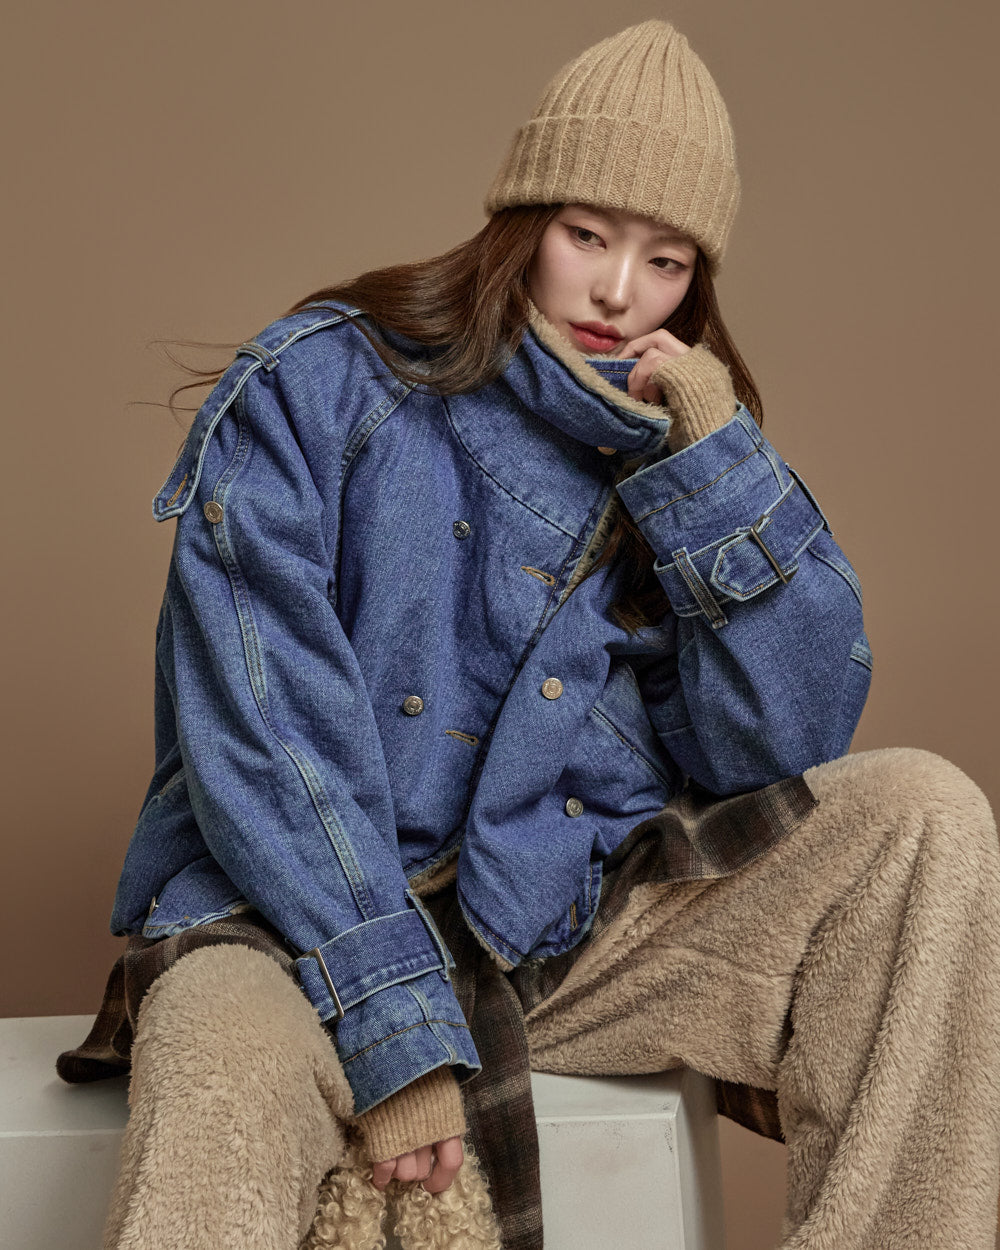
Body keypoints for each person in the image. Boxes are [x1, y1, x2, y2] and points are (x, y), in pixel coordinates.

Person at [57, 18, 1000, 1250]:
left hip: (550, 933)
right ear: (521, 220)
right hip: (290, 926)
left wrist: (713, 461)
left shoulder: (672, 452)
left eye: (666, 260)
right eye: (588, 236)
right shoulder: (314, 385)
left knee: (922, 816)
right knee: (215, 1055)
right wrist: (393, 1026)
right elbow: (263, 731)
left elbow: (773, 747)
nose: (618, 292)